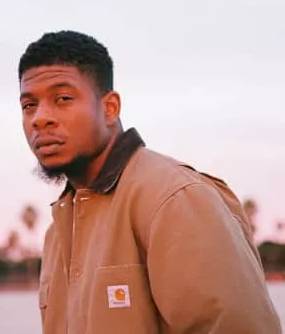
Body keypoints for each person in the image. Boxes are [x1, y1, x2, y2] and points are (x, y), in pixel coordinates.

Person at [18, 30, 281, 334]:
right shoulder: (59, 230)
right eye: (29, 105)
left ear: (110, 108)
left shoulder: (173, 198)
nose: (40, 118)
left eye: (62, 99)